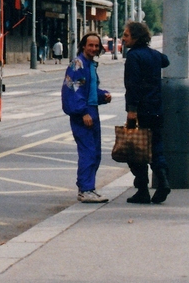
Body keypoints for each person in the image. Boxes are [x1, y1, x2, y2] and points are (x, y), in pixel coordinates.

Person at [122, 21, 171, 204]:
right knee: (156, 146)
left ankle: (142, 189)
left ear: (135, 37)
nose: (123, 38)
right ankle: (163, 181)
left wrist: (132, 110)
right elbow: (166, 60)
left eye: (126, 35)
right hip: (156, 109)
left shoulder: (133, 56)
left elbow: (132, 85)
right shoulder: (153, 55)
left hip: (140, 110)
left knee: (135, 149)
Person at [61, 33, 112, 203]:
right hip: (84, 114)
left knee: (95, 152)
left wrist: (102, 95)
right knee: (88, 151)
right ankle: (85, 189)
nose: (94, 49)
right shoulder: (78, 65)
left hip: (91, 111)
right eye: (90, 45)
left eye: (96, 46)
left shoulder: (89, 65)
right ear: (83, 46)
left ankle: (88, 187)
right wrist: (83, 112)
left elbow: (88, 90)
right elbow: (74, 91)